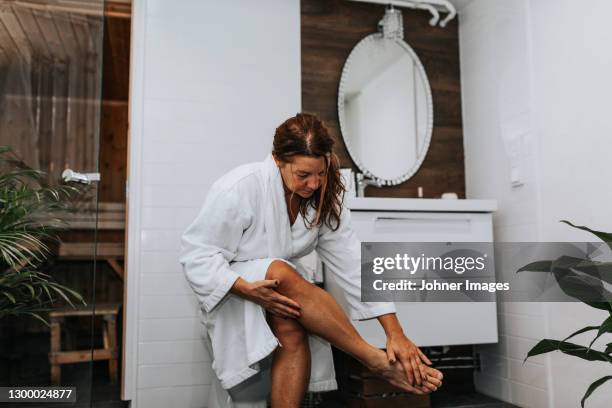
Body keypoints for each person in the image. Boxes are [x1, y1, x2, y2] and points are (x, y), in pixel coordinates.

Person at [179, 113, 443, 408]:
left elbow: (351, 260)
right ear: (278, 160)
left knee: (291, 324)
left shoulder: (325, 196)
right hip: (233, 290)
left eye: (320, 172)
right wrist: (244, 288)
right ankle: (371, 358)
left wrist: (396, 332)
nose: (314, 183)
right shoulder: (239, 188)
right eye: (303, 175)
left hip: (282, 294)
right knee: (281, 271)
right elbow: (196, 256)